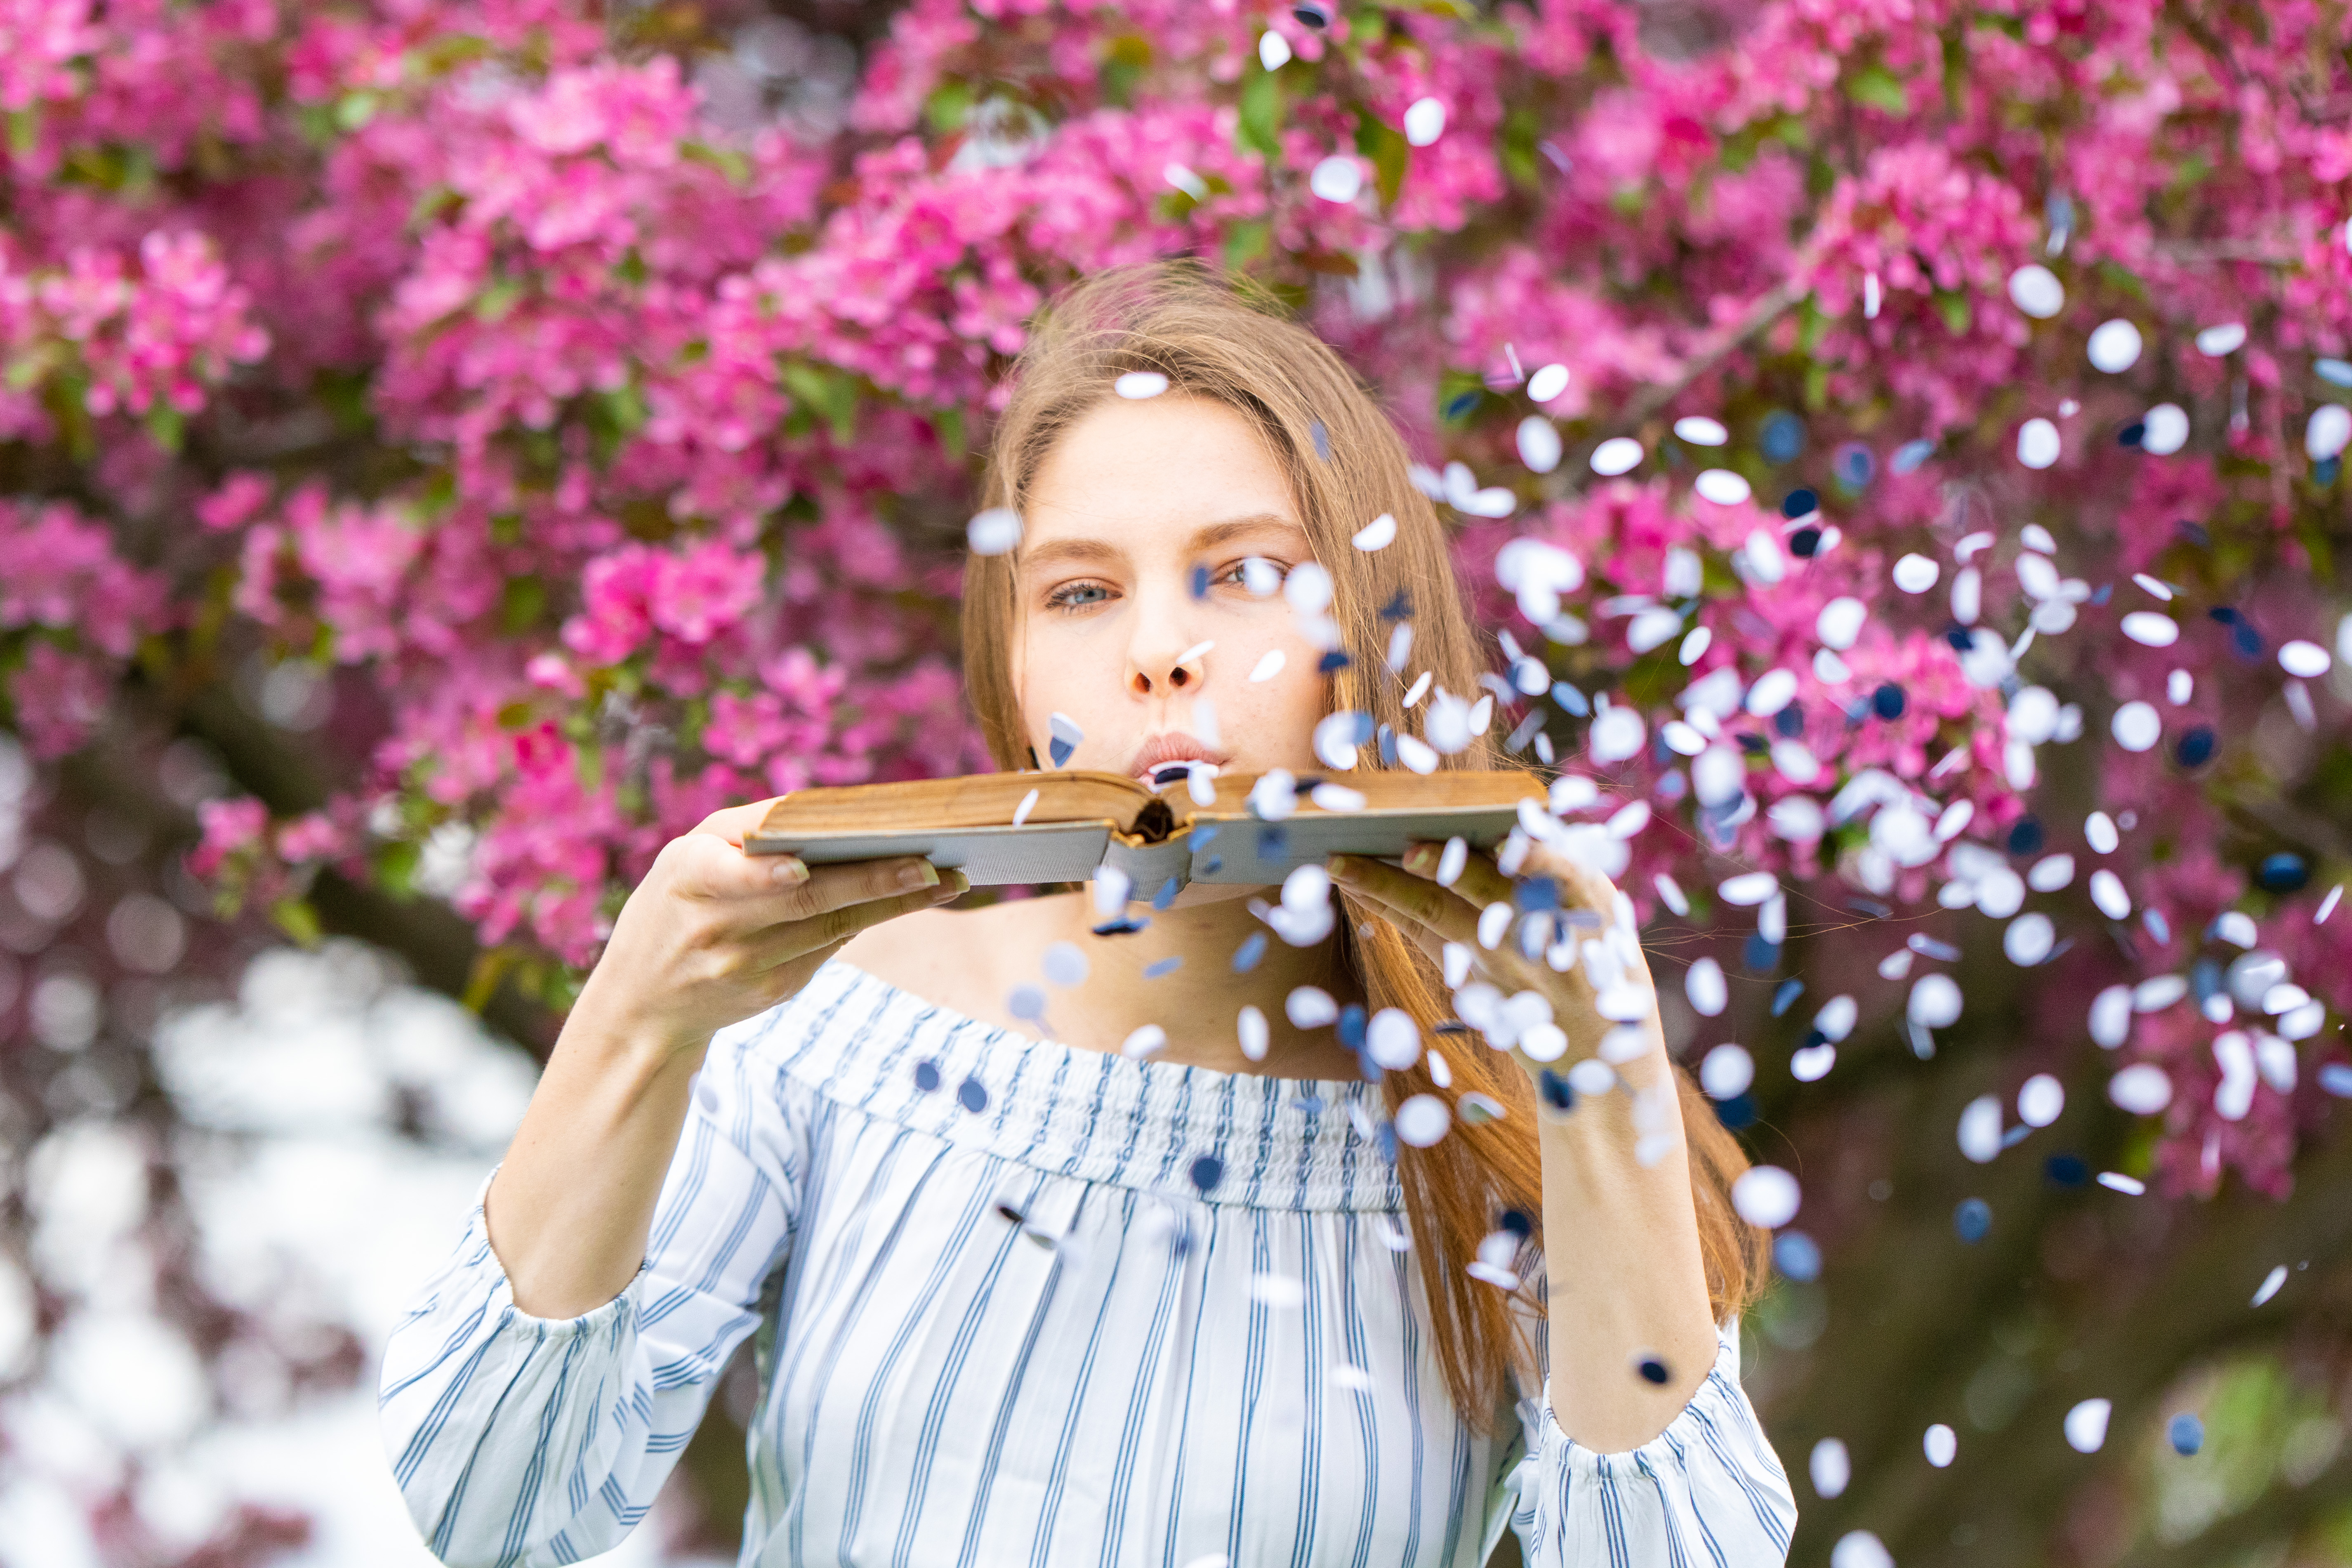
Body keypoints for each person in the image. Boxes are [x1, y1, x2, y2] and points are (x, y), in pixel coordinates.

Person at [378, 259, 1797, 1566]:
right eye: (1080, 590)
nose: (1159, 651)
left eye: (1241, 574)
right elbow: (500, 1508)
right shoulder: (827, 1024)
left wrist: (1603, 1086)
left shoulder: (1498, 1120)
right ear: (1013, 662)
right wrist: (636, 1019)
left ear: (1369, 635)